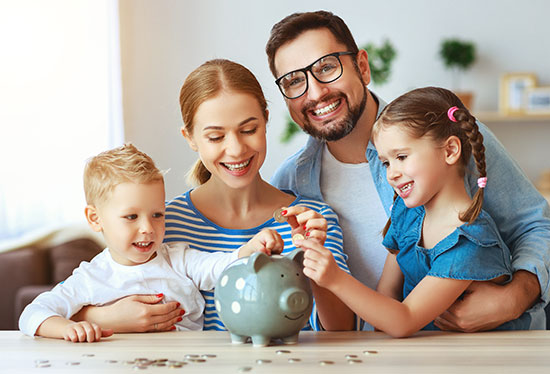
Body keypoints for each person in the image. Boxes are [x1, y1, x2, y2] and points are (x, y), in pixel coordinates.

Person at [266, 10, 550, 331]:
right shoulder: (290, 184)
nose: (314, 93)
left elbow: (542, 229)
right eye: (295, 81)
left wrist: (513, 299)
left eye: (327, 67)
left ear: (363, 67)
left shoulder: (446, 135)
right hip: (377, 354)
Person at [72, 59, 355, 332]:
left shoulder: (313, 220)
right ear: (190, 137)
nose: (235, 149)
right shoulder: (160, 224)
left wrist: (315, 255)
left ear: (266, 120)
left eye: (248, 130)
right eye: (216, 137)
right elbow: (87, 290)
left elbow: (341, 330)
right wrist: (105, 319)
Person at [298, 87, 530, 337]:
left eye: (402, 156)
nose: (391, 173)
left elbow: (404, 320)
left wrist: (335, 279)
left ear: (450, 151)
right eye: (386, 162)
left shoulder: (471, 241)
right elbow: (386, 297)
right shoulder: (407, 213)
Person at [19, 143, 268, 342]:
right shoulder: (91, 277)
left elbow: (221, 267)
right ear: (95, 219)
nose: (148, 228)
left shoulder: (177, 258)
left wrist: (250, 249)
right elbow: (31, 314)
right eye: (131, 217)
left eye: (157, 214)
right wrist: (67, 328)